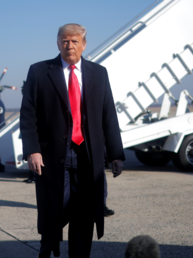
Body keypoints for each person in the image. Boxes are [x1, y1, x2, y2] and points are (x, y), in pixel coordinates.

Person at [20, 23, 125, 258]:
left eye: (75, 41)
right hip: (53, 157)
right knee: (54, 210)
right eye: (65, 41)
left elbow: (109, 115)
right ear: (57, 44)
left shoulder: (99, 73)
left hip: (88, 158)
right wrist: (32, 150)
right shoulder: (39, 71)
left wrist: (116, 154)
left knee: (85, 214)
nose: (70, 45)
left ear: (84, 44)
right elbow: (28, 114)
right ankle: (47, 248)